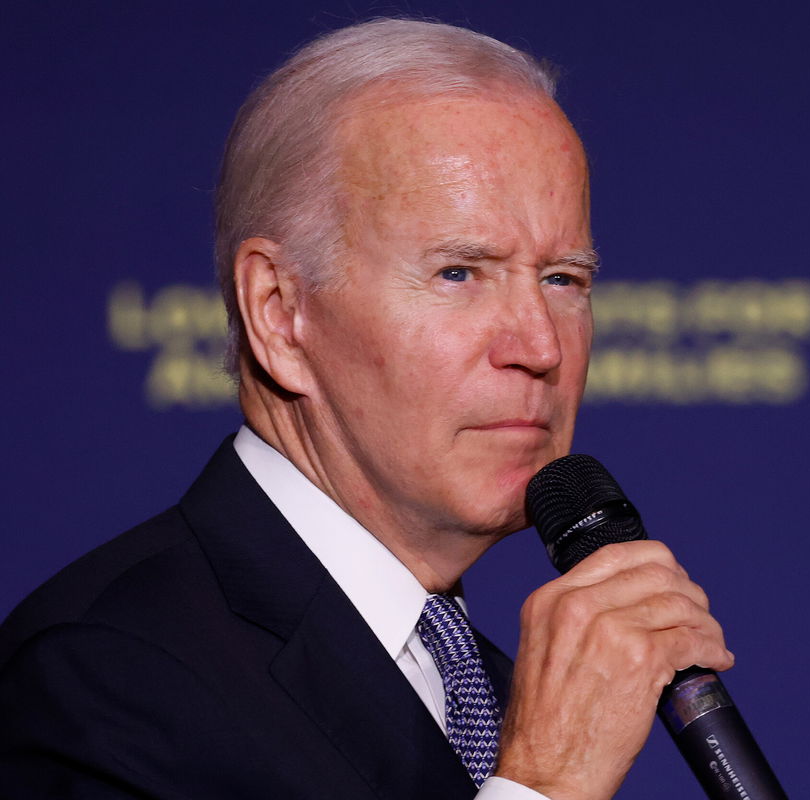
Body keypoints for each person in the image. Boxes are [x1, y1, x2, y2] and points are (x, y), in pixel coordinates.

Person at [0, 18, 732, 799]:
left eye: (563, 280)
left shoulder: (500, 700)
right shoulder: (97, 678)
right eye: (459, 272)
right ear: (280, 313)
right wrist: (545, 787)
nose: (540, 346)